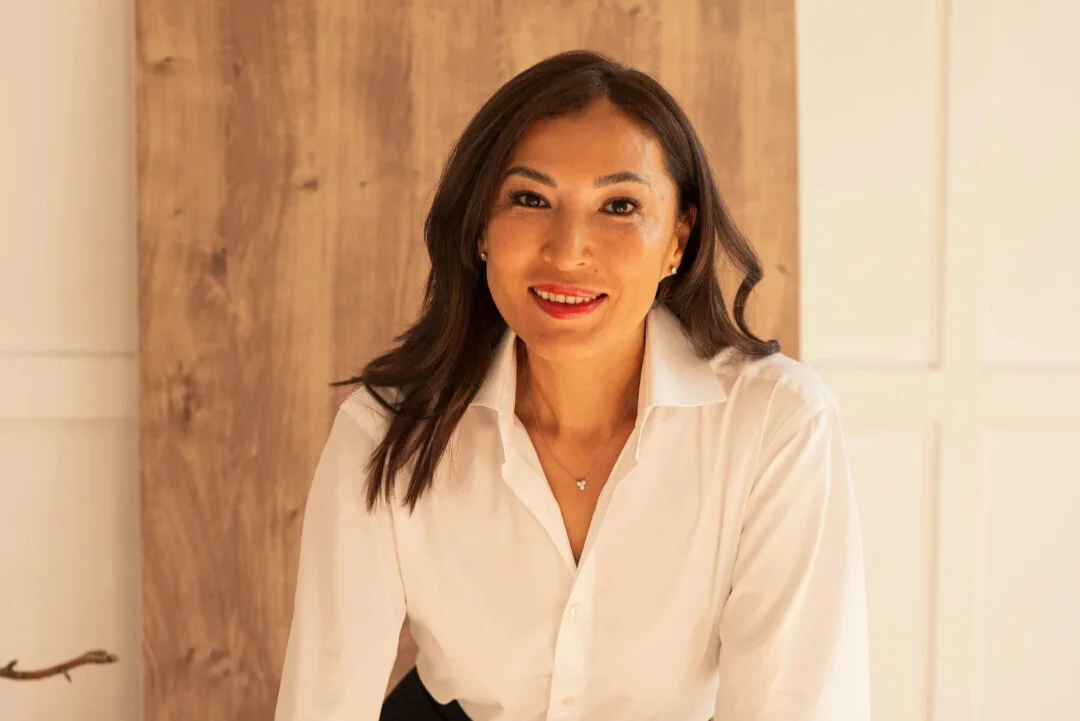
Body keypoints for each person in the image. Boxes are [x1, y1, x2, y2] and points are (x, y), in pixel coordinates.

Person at [273, 50, 871, 721]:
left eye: (619, 205)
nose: (567, 249)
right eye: (530, 199)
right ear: (479, 230)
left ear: (679, 238)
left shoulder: (777, 424)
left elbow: (795, 704)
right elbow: (325, 700)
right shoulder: (385, 431)